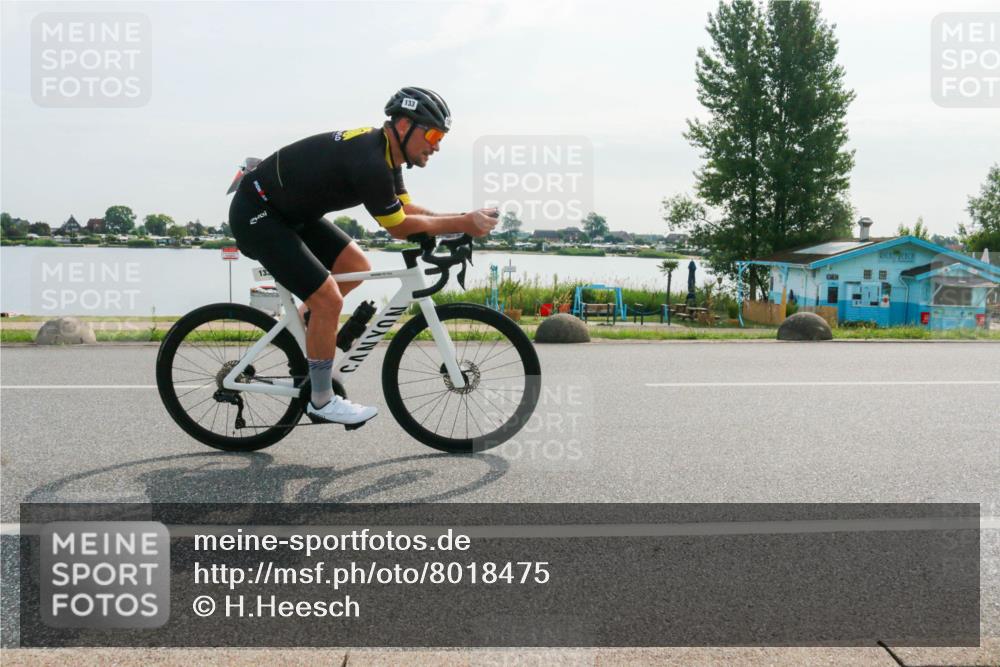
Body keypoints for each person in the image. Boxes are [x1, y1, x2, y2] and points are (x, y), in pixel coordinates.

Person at [228, 87, 498, 426]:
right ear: (403, 125)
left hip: (290, 215)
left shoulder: (386, 155)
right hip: (258, 214)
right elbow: (398, 226)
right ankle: (322, 400)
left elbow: (406, 208)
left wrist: (454, 225)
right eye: (432, 134)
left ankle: (307, 332)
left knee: (355, 266)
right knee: (328, 299)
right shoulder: (369, 159)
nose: (437, 145)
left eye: (441, 137)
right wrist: (461, 222)